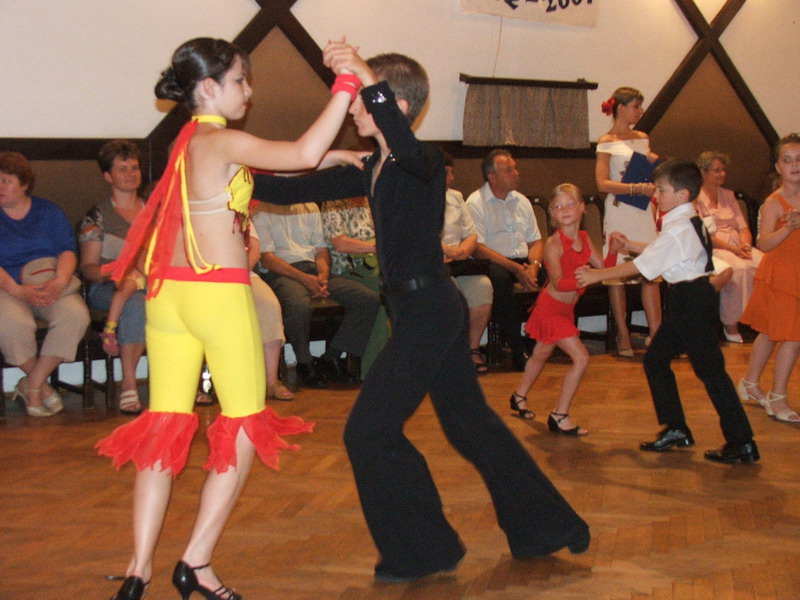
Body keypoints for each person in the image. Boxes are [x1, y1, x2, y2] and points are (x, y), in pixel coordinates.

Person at [253, 45, 589, 583]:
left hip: (431, 310)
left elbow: (404, 144)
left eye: (363, 97)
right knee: (470, 426)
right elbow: (290, 188)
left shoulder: (425, 161)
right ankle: (546, 527)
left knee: (368, 433)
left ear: (397, 104)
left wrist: (363, 72)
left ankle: (425, 549)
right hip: (423, 310)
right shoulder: (375, 166)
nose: (353, 107)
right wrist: (220, 170)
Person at [96, 37, 353, 600]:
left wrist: (330, 158)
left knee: (165, 427)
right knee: (242, 427)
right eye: (241, 79)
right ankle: (196, 563)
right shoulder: (220, 138)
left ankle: (138, 571)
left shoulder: (187, 142)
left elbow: (277, 168)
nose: (249, 91)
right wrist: (348, 84)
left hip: (170, 299)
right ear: (209, 87)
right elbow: (302, 151)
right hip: (217, 298)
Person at [576, 159, 759, 464]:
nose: (655, 194)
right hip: (690, 300)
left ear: (682, 194)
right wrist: (630, 243)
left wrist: (596, 275)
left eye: (661, 190)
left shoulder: (679, 228)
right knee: (657, 360)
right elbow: (662, 250)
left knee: (709, 371)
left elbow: (642, 266)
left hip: (691, 303)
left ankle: (742, 442)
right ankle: (677, 429)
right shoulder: (685, 220)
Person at [252, 201, 381, 388]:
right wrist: (305, 279)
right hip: (282, 272)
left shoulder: (310, 206)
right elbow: (268, 259)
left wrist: (323, 277)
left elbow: (321, 250)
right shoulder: (262, 210)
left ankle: (331, 357)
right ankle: (304, 362)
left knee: (368, 299)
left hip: (314, 269)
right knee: (298, 305)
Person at [0, 151, 90, 417]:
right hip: (7, 286)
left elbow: (67, 251)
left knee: (75, 315)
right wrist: (17, 290)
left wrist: (60, 282)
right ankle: (43, 388)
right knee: (15, 324)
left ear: (25, 184)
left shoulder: (49, 211)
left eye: (5, 181)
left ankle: (34, 383)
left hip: (49, 281)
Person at [510, 184, 603, 435]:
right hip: (550, 309)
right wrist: (584, 277)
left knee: (540, 354)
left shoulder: (584, 239)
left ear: (582, 208)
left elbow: (603, 268)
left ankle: (518, 396)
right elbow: (559, 282)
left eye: (570, 204)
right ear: (552, 213)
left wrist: (615, 248)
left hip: (566, 310)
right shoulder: (553, 243)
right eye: (558, 206)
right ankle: (559, 415)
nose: (565, 210)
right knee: (581, 358)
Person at [79, 140, 149, 414]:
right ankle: (129, 383)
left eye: (134, 168)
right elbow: (89, 268)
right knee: (136, 303)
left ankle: (188, 380)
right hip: (108, 287)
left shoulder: (156, 210)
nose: (131, 174)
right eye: (122, 169)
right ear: (108, 176)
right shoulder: (97, 216)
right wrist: (116, 270)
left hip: (151, 281)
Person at [738, 133, 800, 423]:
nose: (794, 165)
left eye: (799, 159)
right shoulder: (774, 202)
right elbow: (762, 243)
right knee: (792, 336)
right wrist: (789, 228)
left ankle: (750, 383)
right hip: (781, 275)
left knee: (769, 332)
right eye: (787, 160)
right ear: (777, 167)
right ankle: (778, 397)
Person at [595, 87, 662, 357]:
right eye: (636, 106)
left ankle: (657, 333)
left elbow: (648, 175)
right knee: (618, 274)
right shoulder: (606, 141)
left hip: (643, 210)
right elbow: (602, 183)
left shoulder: (642, 138)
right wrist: (636, 188)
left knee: (650, 272)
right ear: (620, 108)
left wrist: (652, 166)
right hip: (620, 209)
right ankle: (622, 334)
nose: (640, 111)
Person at [465, 149, 543, 371]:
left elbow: (536, 241)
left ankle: (543, 340)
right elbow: (478, 249)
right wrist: (516, 269)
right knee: (500, 280)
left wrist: (534, 267)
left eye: (514, 168)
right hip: (494, 263)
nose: (516, 173)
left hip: (523, 262)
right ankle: (517, 349)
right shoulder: (476, 202)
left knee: (556, 275)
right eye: (509, 170)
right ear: (492, 177)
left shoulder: (522, 201)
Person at [695, 151, 763, 343]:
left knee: (765, 264)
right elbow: (704, 234)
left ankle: (758, 318)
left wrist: (745, 245)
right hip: (715, 247)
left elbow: (743, 227)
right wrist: (733, 250)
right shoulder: (696, 198)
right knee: (740, 269)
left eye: (723, 170)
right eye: (717, 170)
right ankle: (731, 323)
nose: (722, 174)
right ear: (703, 172)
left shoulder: (729, 195)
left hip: (737, 245)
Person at [320, 195, 390, 377]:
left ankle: (396, 361)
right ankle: (375, 368)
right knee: (384, 294)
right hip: (345, 270)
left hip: (375, 266)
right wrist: (374, 247)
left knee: (403, 290)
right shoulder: (333, 203)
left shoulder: (372, 201)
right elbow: (340, 244)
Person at [442, 153, 493, 374]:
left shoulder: (456, 197)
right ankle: (449, 354)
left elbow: (471, 234)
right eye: (446, 173)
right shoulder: (414, 198)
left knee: (483, 286)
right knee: (450, 292)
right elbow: (417, 236)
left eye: (452, 172)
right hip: (432, 265)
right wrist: (447, 250)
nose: (451, 178)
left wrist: (463, 250)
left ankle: (472, 349)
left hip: (457, 262)